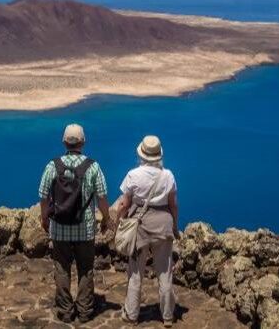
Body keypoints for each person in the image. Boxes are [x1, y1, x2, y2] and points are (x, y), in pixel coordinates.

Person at [37, 123, 111, 323]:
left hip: (59, 227)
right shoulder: (93, 166)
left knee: (61, 268)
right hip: (85, 229)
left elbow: (43, 196)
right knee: (85, 268)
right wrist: (106, 218)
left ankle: (65, 310)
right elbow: (102, 197)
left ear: (64, 142)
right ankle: (85, 310)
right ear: (83, 142)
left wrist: (45, 218)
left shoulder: (53, 165)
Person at [112, 135, 179, 327]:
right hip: (163, 225)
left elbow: (124, 203)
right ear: (158, 155)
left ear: (141, 154)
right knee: (165, 272)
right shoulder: (168, 175)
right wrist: (174, 226)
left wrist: (118, 222)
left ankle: (131, 314)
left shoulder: (133, 175)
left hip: (139, 226)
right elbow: (173, 205)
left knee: (135, 273)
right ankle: (167, 316)